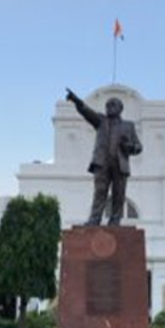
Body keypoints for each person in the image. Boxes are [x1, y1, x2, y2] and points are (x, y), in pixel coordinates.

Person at [65, 88, 143, 226]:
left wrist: (129, 147)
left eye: (112, 105)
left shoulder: (128, 126)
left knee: (119, 194)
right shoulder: (100, 120)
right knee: (100, 192)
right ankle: (94, 219)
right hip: (102, 163)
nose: (109, 107)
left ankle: (115, 220)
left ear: (120, 108)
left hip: (120, 164)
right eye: (107, 105)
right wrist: (76, 101)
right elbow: (86, 112)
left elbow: (138, 147)